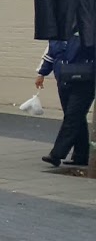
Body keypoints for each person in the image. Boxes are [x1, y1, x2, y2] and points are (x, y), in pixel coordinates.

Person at [36, 35, 94, 168]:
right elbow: (50, 54)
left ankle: (56, 154)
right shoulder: (57, 35)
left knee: (72, 117)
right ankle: (81, 155)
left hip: (84, 81)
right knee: (76, 117)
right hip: (64, 80)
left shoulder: (86, 30)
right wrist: (41, 73)